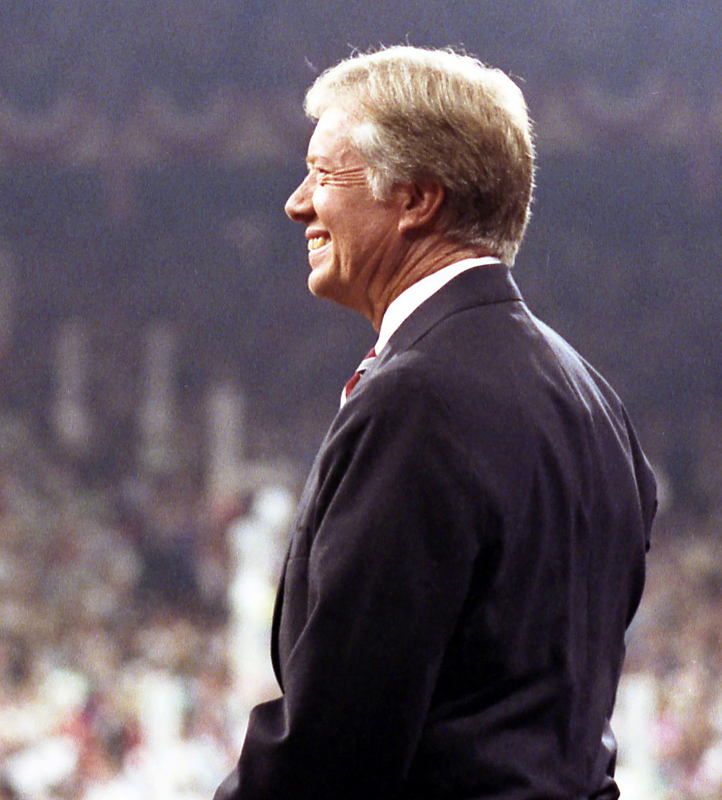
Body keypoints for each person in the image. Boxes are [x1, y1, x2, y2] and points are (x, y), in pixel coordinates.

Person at [215, 45, 657, 800]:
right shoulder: (594, 399)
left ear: (417, 198)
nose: (296, 203)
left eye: (323, 175)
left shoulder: (416, 399)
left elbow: (337, 746)